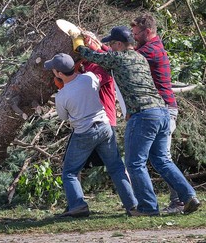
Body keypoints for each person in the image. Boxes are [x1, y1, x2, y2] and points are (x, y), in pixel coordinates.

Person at [72, 26, 201, 216]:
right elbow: (107, 56)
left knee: (134, 164)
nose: (111, 47)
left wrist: (77, 40)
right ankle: (189, 195)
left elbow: (89, 56)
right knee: (162, 160)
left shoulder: (118, 57)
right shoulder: (140, 58)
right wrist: (98, 44)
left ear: (118, 44)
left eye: (112, 44)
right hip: (162, 112)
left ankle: (148, 208)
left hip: (143, 115)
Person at [44, 53, 137, 217]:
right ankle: (132, 205)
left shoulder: (62, 96)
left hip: (83, 132)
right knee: (116, 168)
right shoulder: (90, 78)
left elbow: (64, 117)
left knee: (70, 172)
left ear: (58, 73)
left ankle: (78, 205)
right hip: (104, 126)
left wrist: (63, 89)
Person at [130, 14, 182, 214]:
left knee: (162, 158)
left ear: (148, 32)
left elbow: (127, 59)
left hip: (163, 109)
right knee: (160, 157)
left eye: (137, 34)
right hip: (162, 109)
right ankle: (180, 199)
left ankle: (180, 200)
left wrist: (98, 48)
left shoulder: (150, 50)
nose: (134, 37)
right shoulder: (150, 48)